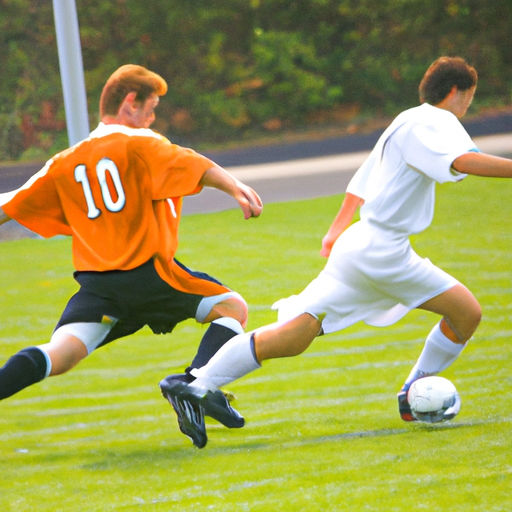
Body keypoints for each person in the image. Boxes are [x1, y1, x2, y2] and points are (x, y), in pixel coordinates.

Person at [160, 56, 512, 444]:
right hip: (386, 252)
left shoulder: (405, 119)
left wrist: (334, 231)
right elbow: (463, 161)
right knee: (467, 314)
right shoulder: (436, 120)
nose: (467, 108)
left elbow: (361, 180)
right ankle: (414, 394)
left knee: (296, 334)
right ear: (455, 92)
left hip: (359, 244)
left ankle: (196, 383)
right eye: (469, 99)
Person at [0, 64, 262, 449]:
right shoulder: (140, 142)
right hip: (148, 275)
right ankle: (192, 383)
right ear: (129, 103)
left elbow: (11, 204)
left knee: (62, 353)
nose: (153, 118)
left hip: (100, 286)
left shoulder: (63, 162)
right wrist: (233, 185)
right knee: (232, 308)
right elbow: (191, 163)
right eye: (151, 107)